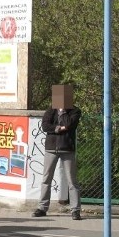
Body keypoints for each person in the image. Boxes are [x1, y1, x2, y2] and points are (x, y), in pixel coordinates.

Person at [33, 84, 82, 220]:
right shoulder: (51, 110)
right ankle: (42, 208)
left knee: (72, 180)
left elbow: (70, 125)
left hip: (67, 149)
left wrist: (63, 111)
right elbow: (45, 125)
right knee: (46, 179)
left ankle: (75, 210)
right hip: (51, 148)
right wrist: (58, 128)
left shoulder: (75, 111)